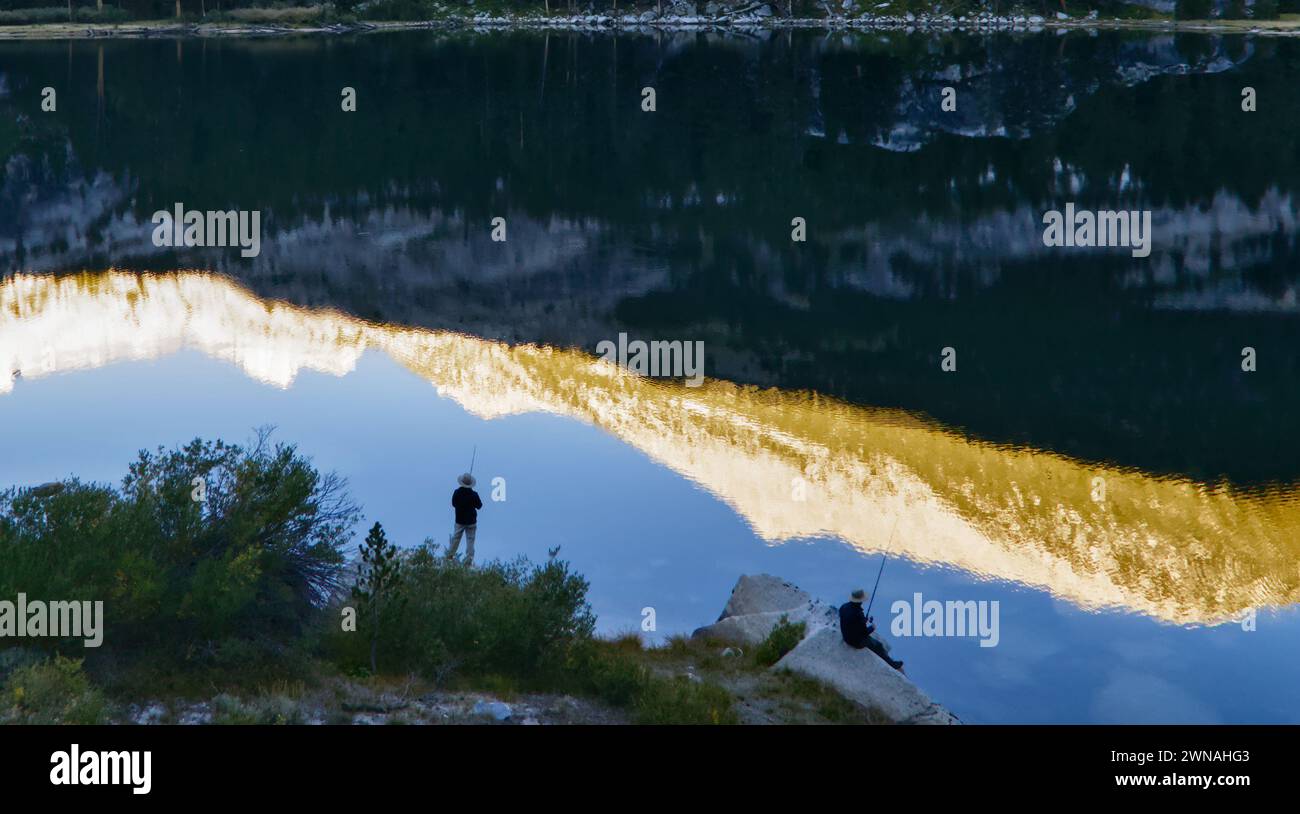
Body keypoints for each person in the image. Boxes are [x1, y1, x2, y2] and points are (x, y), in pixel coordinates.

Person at [839, 588, 904, 673]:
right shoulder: (858, 613)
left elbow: (850, 621)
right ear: (860, 600)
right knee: (878, 646)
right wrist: (872, 628)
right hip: (855, 641)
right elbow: (864, 633)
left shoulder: (844, 607)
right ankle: (893, 665)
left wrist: (862, 620)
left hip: (846, 636)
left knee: (875, 643)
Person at [448, 473, 483, 564]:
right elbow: (479, 506)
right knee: (470, 540)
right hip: (471, 521)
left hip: (459, 520)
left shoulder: (457, 492)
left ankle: (450, 556)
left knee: (456, 538)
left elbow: (453, 504)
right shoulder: (474, 494)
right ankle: (469, 560)